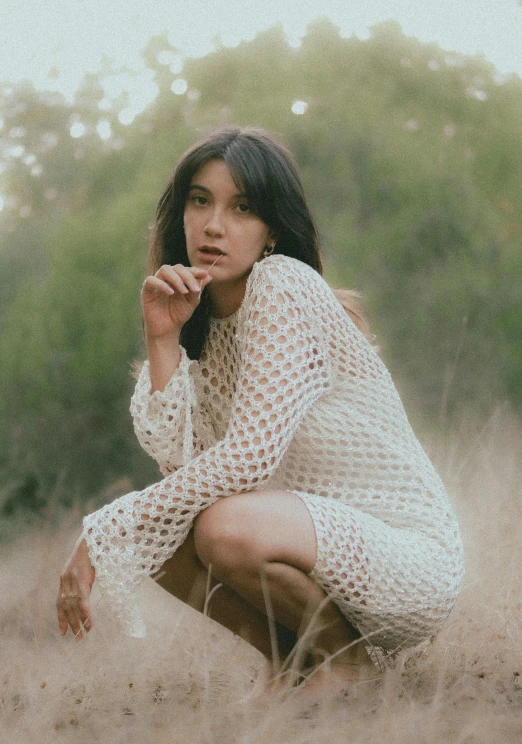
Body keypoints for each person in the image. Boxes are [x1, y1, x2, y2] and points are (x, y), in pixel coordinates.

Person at [57, 126, 465, 693]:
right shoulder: (207, 322)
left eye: (242, 207)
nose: (214, 224)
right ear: (181, 214)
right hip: (313, 549)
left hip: (406, 559)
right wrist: (162, 341)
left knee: (214, 526)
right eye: (200, 201)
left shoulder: (282, 285)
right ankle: (294, 664)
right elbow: (183, 474)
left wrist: (102, 527)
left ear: (272, 227)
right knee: (167, 528)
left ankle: (348, 666)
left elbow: (245, 462)